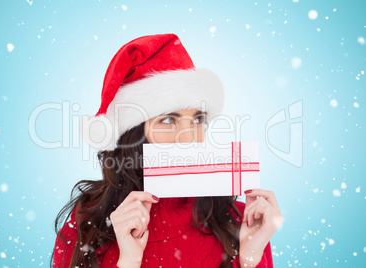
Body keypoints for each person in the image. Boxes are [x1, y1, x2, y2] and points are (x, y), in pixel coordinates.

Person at [51, 33, 283, 268]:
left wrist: (250, 258)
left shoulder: (240, 221)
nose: (188, 137)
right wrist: (128, 261)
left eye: (197, 119)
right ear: (135, 133)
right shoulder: (91, 219)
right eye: (168, 120)